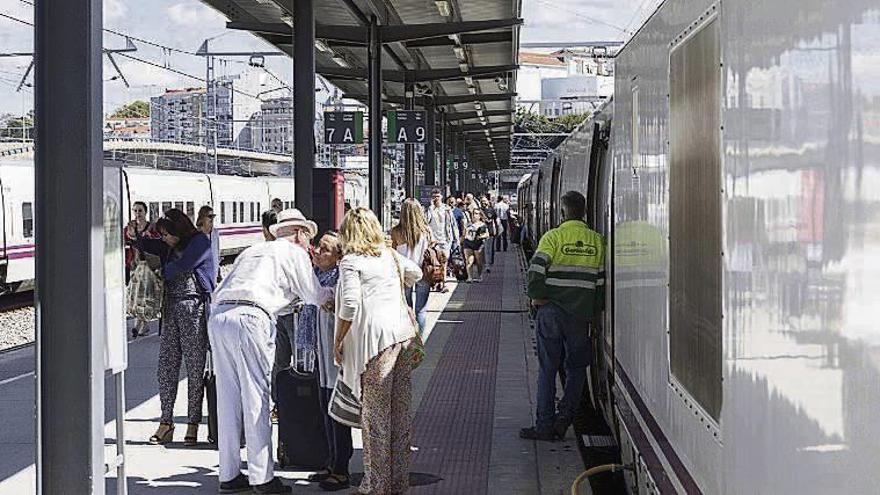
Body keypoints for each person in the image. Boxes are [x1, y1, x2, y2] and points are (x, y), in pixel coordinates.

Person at [209, 208, 332, 494]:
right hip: (252, 318)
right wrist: (333, 295)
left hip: (219, 316)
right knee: (256, 398)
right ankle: (262, 477)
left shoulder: (253, 251)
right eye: (308, 237)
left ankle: (228, 474)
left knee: (227, 398)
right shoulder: (294, 254)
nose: (310, 245)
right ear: (299, 233)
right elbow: (313, 294)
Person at [334, 207, 422, 495]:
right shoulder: (389, 255)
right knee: (399, 416)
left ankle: (376, 486)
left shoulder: (350, 261)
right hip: (402, 339)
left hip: (375, 346)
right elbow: (416, 273)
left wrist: (338, 340)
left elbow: (349, 305)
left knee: (375, 422)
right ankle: (397, 484)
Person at [520, 191, 605, 442]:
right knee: (577, 369)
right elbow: (599, 285)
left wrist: (538, 297)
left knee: (548, 369)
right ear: (586, 212)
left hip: (551, 312)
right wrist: (594, 314)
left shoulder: (553, 237)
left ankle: (544, 425)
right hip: (580, 315)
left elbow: (535, 271)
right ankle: (564, 420)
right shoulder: (597, 241)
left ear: (562, 212)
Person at [137, 208, 215, 447]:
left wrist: (162, 272)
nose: (164, 239)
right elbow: (151, 247)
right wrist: (138, 236)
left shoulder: (200, 242)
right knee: (167, 367)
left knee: (194, 368)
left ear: (178, 231)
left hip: (194, 310)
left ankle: (193, 423)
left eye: (167, 234)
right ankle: (166, 421)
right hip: (171, 309)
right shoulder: (170, 245)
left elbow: (184, 264)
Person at [301, 231, 353, 492]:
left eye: (325, 249)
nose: (318, 252)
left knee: (338, 412)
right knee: (324, 407)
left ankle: (342, 468)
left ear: (338, 256)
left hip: (337, 356)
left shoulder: (342, 279)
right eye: (318, 247)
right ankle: (331, 462)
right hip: (320, 352)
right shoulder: (318, 275)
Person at [391, 198, 431, 334]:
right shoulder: (425, 231)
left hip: (404, 275)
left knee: (406, 308)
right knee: (421, 310)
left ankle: (408, 340)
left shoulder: (396, 232)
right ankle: (419, 341)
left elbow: (393, 254)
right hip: (423, 272)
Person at [125, 201, 160, 337]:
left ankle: (141, 324)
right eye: (135, 211)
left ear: (145, 212)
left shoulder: (152, 228)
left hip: (150, 266)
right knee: (136, 296)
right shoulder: (128, 228)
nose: (137, 214)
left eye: (140, 210)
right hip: (135, 266)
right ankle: (139, 324)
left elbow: (158, 244)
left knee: (146, 295)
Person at [426, 189, 458, 292]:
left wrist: (456, 239)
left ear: (442, 197)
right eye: (434, 196)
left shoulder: (447, 209)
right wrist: (431, 207)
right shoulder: (429, 210)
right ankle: (436, 282)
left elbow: (453, 225)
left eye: (438, 196)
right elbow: (426, 222)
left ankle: (443, 283)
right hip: (433, 241)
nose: (436, 198)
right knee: (435, 263)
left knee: (444, 262)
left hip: (445, 240)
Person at [461, 209, 490, 283]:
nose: (474, 215)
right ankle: (470, 277)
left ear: (480, 215)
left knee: (479, 262)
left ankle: (479, 276)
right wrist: (461, 241)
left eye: (476, 214)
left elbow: (487, 234)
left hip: (478, 244)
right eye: (473, 213)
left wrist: (481, 237)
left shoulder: (482, 225)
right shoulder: (468, 224)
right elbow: (464, 234)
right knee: (469, 261)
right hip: (468, 243)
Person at [197, 205, 221, 281]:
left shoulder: (215, 233)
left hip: (214, 274)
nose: (212, 219)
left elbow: (217, 252)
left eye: (213, 217)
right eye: (209, 217)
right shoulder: (196, 235)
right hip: (203, 276)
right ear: (202, 218)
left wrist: (219, 273)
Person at [480, 196, 498, 271]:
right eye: (482, 201)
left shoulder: (492, 210)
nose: (483, 203)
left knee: (489, 249)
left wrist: (496, 230)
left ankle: (488, 264)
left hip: (490, 232)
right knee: (483, 250)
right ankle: (486, 264)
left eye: (484, 201)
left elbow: (496, 220)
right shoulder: (479, 211)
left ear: (488, 201)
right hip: (481, 233)